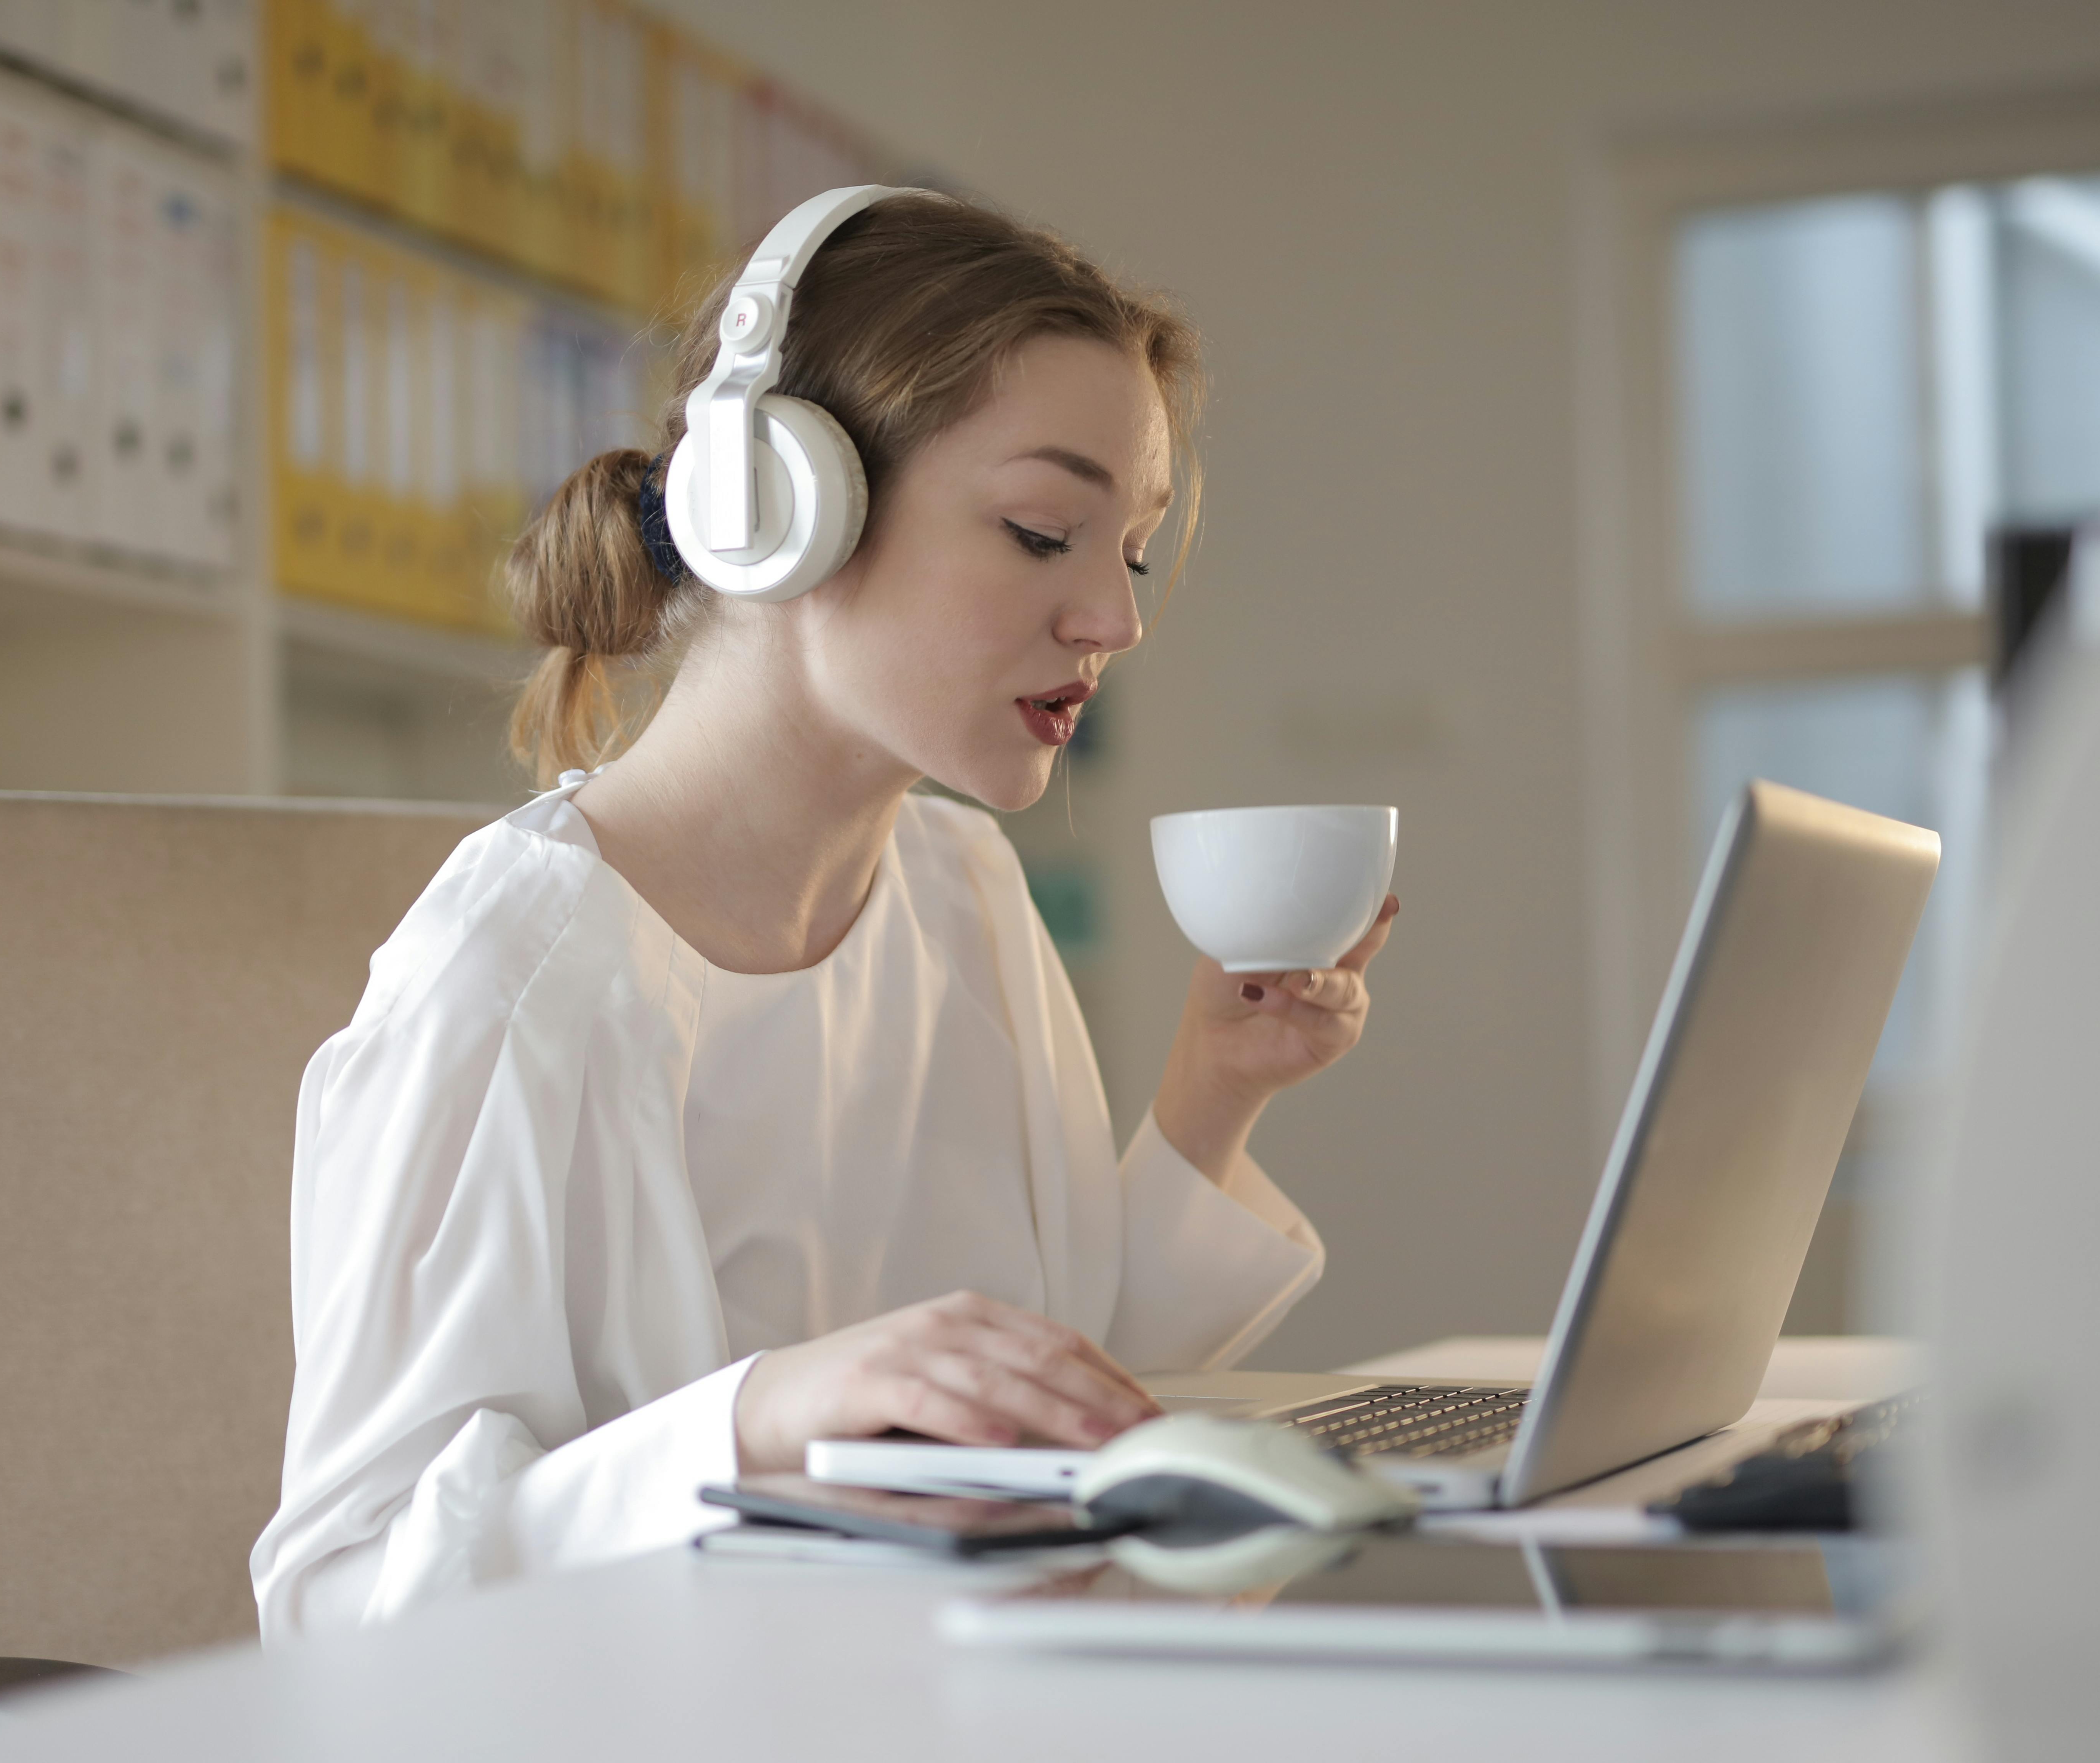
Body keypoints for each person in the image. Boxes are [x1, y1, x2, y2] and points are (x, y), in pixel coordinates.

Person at [250, 193, 1398, 1637]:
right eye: (1045, 533)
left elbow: (1034, 1401)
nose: (1116, 620)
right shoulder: (516, 976)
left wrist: (1211, 1098)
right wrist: (757, 1420)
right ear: (777, 510)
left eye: (1132, 551)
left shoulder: (963, 889)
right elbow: (336, 1612)